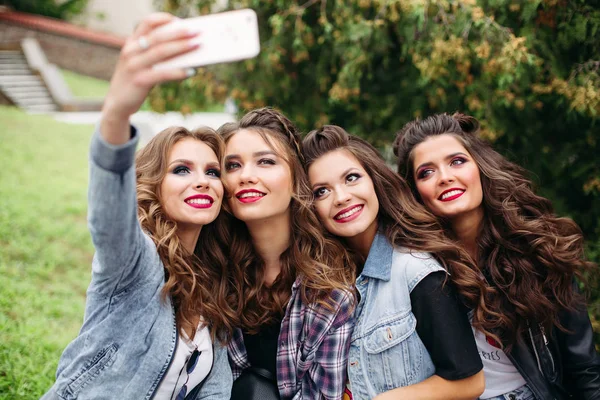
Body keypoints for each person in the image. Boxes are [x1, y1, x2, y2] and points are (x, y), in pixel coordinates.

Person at [42, 13, 233, 400]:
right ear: (153, 186)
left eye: (213, 172)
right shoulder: (135, 260)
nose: (202, 180)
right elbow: (109, 214)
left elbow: (215, 390)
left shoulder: (213, 291)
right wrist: (117, 113)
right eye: (181, 169)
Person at [393, 112, 600, 399]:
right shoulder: (415, 268)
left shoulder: (536, 249)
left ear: (480, 167)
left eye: (457, 161)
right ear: (415, 192)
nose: (445, 177)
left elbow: (584, 368)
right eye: (426, 172)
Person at [302, 125, 485, 400]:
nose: (341, 198)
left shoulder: (417, 271)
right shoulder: (325, 282)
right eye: (321, 191)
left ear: (375, 180)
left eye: (351, 178)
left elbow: (470, 381)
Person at [217, 108, 356, 399]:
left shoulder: (329, 290)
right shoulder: (212, 274)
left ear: (295, 178)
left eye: (265, 161)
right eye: (232, 166)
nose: (246, 176)